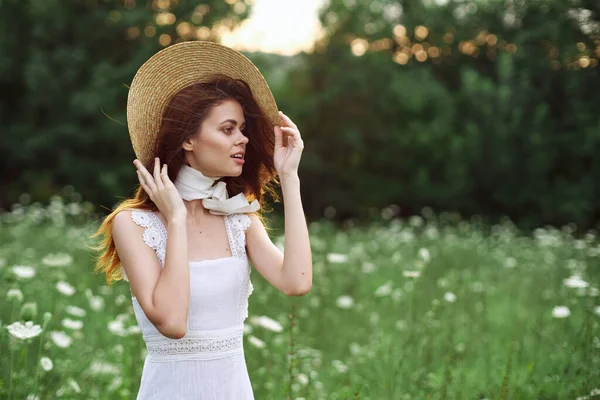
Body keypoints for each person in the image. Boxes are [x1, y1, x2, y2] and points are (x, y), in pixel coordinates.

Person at [93, 41, 312, 399]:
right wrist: (176, 220)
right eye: (228, 129)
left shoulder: (237, 217)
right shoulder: (132, 225)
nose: (242, 139)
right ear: (190, 139)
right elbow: (173, 323)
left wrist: (290, 177)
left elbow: (297, 282)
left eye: (242, 129)